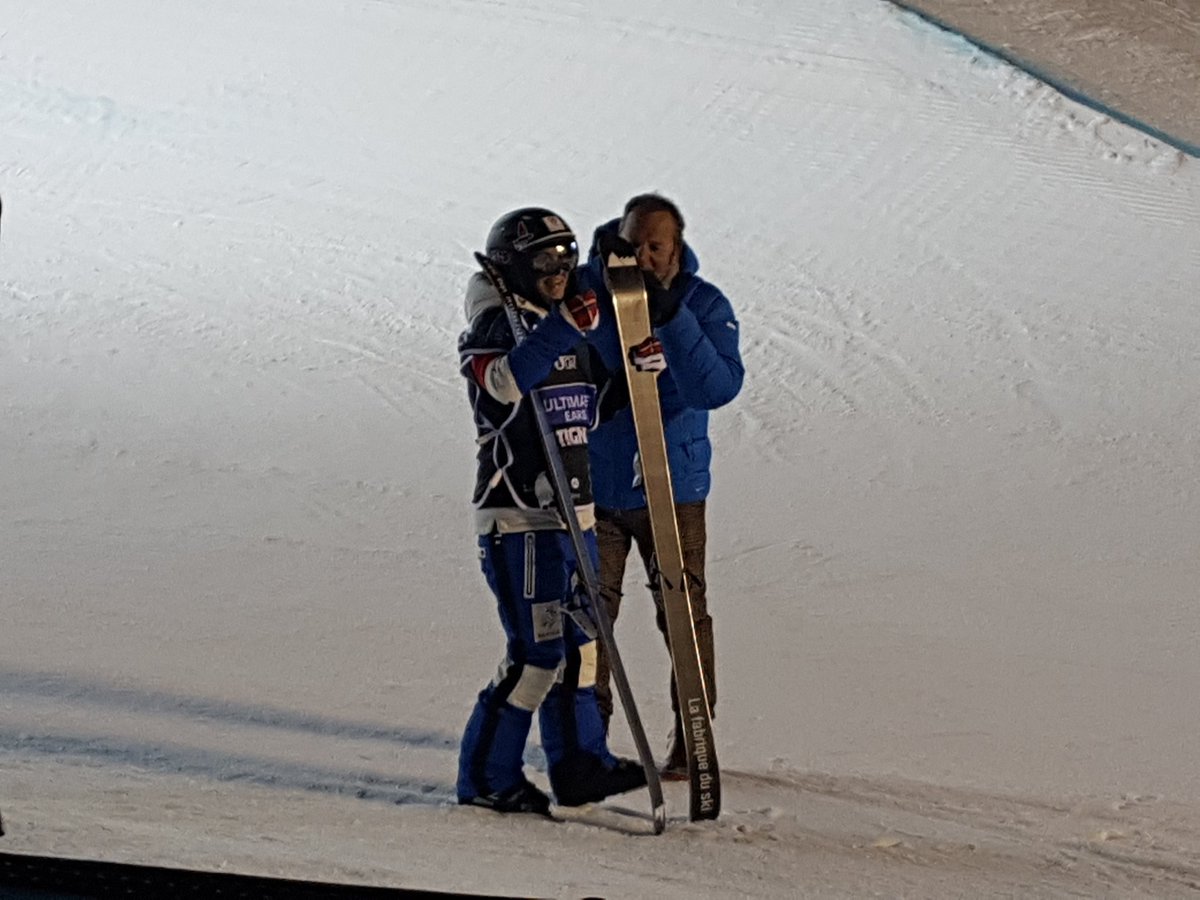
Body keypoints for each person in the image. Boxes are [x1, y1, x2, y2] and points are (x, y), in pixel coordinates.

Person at [455, 207, 646, 814]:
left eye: (566, 257)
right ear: (513, 267)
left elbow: (591, 402)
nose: (559, 271)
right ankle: (488, 778)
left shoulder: (563, 324)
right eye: (544, 260)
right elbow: (504, 384)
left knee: (583, 645)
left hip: (575, 512)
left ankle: (580, 764)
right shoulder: (495, 323)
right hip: (521, 518)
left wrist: (640, 372)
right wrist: (565, 327)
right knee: (537, 655)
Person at [577, 193, 743, 778]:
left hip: (673, 488)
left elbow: (716, 388)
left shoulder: (703, 303)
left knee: (683, 613)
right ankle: (586, 740)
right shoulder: (586, 296)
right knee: (588, 616)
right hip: (597, 488)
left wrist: (672, 321)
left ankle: (694, 737)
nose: (644, 256)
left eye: (656, 246)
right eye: (634, 244)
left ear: (676, 248)